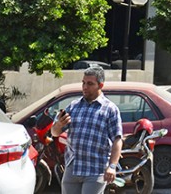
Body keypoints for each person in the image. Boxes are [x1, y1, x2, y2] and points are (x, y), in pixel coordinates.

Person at [51, 66, 124, 194]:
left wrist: (112, 166)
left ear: (100, 85)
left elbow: (117, 140)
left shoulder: (110, 109)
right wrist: (58, 125)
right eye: (83, 83)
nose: (85, 87)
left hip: (95, 169)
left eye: (90, 84)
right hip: (73, 167)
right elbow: (54, 133)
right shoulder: (74, 106)